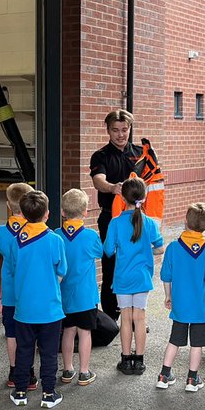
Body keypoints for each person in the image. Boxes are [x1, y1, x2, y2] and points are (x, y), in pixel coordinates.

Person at [9, 190, 68, 409]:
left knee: (24, 350)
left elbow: (15, 268)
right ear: (47, 214)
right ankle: (49, 394)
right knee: (49, 352)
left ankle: (21, 391)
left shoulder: (17, 240)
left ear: (23, 215)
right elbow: (61, 270)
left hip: (24, 308)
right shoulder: (55, 240)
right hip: (50, 309)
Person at [102, 177, 165, 375]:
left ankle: (126, 359)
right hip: (142, 278)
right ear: (144, 198)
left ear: (122, 197)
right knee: (140, 318)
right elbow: (159, 248)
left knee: (126, 318)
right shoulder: (150, 223)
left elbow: (108, 251)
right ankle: (140, 360)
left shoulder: (115, 223)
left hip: (122, 278)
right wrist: (147, 251)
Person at [158, 203, 205, 391]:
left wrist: (168, 296)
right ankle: (192, 379)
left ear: (185, 220)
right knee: (197, 344)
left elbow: (166, 276)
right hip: (200, 306)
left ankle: (164, 375)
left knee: (174, 340)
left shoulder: (174, 248)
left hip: (180, 305)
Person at [89, 110, 140, 320]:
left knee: (135, 265)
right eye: (115, 130)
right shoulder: (100, 155)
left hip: (137, 218)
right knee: (111, 265)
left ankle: (136, 315)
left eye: (124, 129)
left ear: (129, 129)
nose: (120, 135)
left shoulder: (141, 153)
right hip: (110, 218)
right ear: (108, 130)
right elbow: (98, 180)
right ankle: (111, 317)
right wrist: (113, 188)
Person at [57, 188, 104, 386]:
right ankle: (84, 371)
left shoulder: (56, 235)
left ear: (62, 212)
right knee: (85, 333)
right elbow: (100, 253)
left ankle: (68, 369)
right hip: (85, 297)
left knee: (68, 331)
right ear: (85, 212)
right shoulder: (91, 236)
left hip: (64, 295)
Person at [0, 181, 36, 390]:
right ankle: (28, 371)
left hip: (10, 291)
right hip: (29, 291)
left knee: (11, 333)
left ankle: (14, 370)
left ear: (8, 205)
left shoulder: (2, 232)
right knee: (28, 332)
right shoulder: (36, 231)